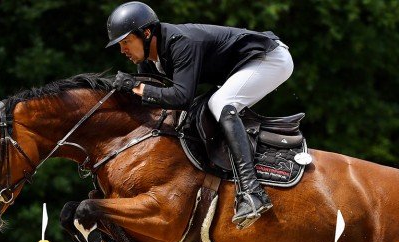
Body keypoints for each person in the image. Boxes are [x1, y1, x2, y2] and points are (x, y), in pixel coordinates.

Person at [106, 2, 294, 229]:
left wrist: (138, 87)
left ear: (146, 33)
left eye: (126, 42)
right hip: (243, 66)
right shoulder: (150, 61)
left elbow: (182, 97)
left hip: (269, 59)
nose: (122, 50)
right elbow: (154, 102)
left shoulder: (181, 43)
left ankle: (252, 192)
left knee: (221, 104)